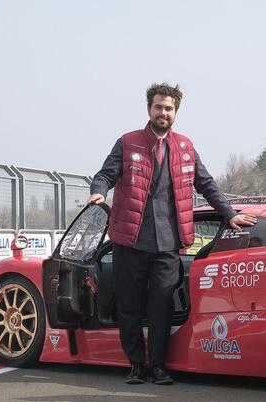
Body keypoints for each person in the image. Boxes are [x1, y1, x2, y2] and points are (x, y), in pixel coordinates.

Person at [88, 82, 256, 385]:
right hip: (130, 240)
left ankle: (159, 366)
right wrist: (98, 192)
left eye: (169, 108)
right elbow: (105, 174)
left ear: (175, 112)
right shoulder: (127, 142)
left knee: (161, 307)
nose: (163, 112)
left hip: (168, 244)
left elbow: (207, 185)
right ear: (149, 109)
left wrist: (230, 214)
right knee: (130, 306)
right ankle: (137, 366)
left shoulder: (185, 147)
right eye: (158, 107)